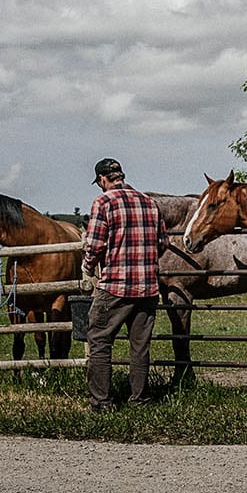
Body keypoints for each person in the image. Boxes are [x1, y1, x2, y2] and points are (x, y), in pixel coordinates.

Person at [79, 157, 166, 408]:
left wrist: (87, 265)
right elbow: (163, 243)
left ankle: (102, 401)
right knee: (139, 346)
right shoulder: (150, 203)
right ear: (122, 176)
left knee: (99, 339)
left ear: (102, 179)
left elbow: (95, 244)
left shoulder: (103, 202)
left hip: (115, 286)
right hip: (147, 287)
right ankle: (139, 399)